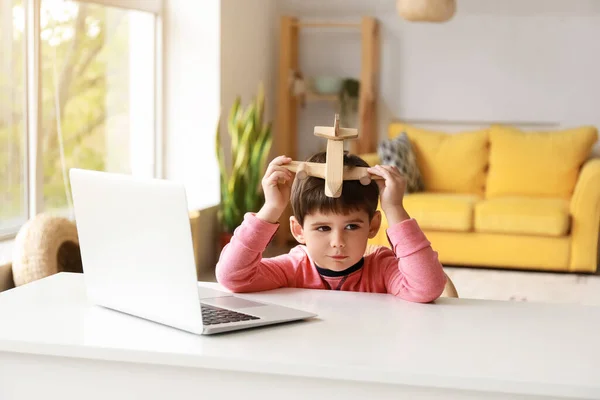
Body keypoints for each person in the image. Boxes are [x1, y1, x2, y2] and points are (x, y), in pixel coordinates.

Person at [215, 151, 447, 303]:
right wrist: (272, 208)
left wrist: (395, 208)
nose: (338, 241)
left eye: (352, 226)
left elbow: (427, 287)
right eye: (323, 228)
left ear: (372, 226)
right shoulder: (294, 268)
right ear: (298, 231)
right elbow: (232, 277)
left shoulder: (381, 269)